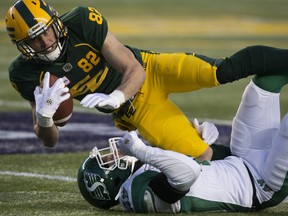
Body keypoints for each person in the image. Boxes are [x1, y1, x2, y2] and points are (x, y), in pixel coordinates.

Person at [5, 0, 288, 160]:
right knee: (202, 156)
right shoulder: (24, 73)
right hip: (136, 109)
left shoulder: (81, 21)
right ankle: (262, 170)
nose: (44, 41)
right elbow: (50, 141)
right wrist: (43, 119)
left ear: (55, 21)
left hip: (150, 70)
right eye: (33, 39)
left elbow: (133, 69)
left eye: (45, 31)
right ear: (22, 45)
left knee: (221, 71)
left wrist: (115, 96)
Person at [77, 75, 288, 212]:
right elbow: (189, 172)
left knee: (265, 82)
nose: (114, 154)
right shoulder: (135, 192)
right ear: (109, 180)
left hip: (241, 160)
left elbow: (210, 169)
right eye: (107, 160)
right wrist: (141, 150)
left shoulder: (142, 174)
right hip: (262, 186)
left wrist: (203, 142)